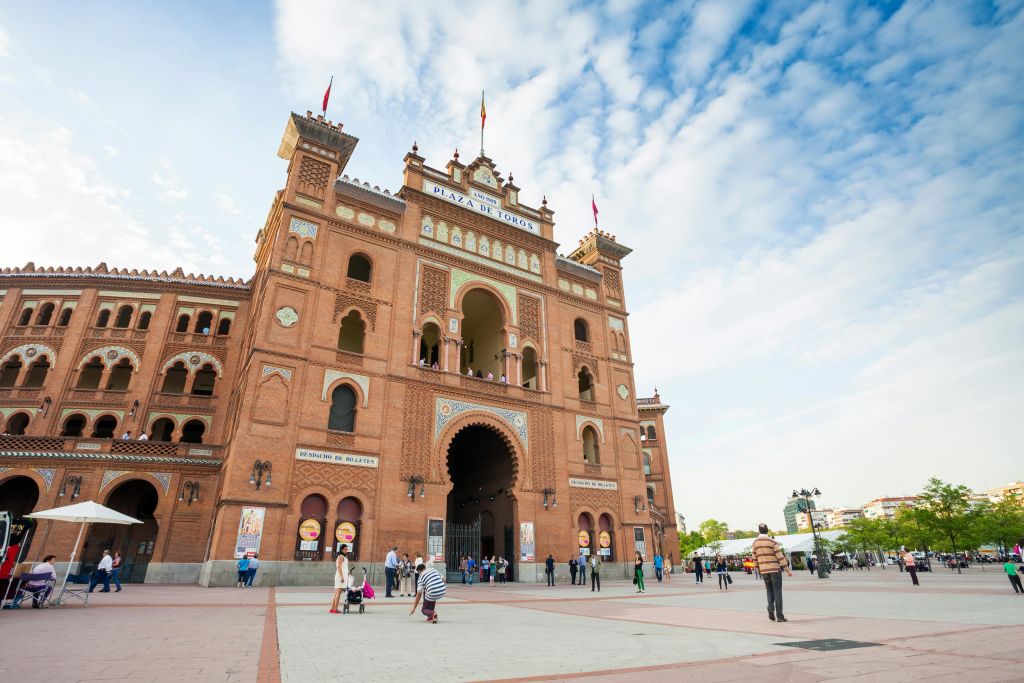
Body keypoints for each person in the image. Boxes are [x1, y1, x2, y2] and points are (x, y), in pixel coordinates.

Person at [751, 523, 792, 622]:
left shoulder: (755, 542)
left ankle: (770, 607)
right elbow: (780, 556)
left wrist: (758, 569)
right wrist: (787, 570)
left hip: (763, 570)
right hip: (774, 569)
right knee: (777, 591)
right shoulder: (772, 541)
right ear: (767, 530)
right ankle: (780, 616)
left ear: (759, 531)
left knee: (769, 590)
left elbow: (754, 558)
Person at [329, 543, 351, 613]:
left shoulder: (344, 557)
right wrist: (342, 577)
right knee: (338, 592)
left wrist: (348, 572)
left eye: (347, 549)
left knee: (336, 593)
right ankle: (335, 609)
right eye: (345, 549)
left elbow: (344, 567)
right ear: (341, 550)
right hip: (340, 576)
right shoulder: (341, 556)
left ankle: (332, 608)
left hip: (342, 575)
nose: (346, 550)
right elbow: (339, 567)